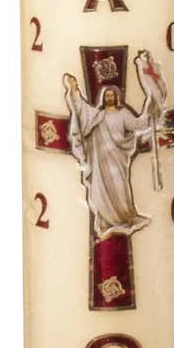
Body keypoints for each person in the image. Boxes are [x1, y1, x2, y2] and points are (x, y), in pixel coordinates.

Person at [64, 74, 159, 239]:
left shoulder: (123, 114)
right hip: (100, 163)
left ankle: (124, 217)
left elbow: (138, 124)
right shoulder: (97, 116)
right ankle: (106, 222)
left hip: (117, 161)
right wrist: (74, 90)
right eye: (106, 95)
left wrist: (149, 109)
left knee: (120, 189)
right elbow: (81, 109)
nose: (109, 98)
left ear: (116, 97)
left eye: (111, 95)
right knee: (101, 191)